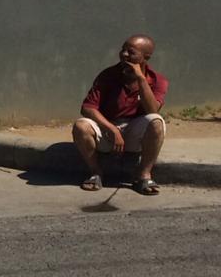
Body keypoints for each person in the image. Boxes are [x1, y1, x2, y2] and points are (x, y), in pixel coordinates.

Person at [72, 34, 168, 195]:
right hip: (108, 132)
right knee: (80, 125)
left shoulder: (158, 80)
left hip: (134, 133)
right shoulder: (108, 75)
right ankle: (96, 172)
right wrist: (112, 129)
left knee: (157, 121)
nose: (124, 54)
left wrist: (141, 79)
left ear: (146, 57)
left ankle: (144, 175)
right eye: (123, 50)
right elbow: (87, 108)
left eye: (131, 52)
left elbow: (152, 110)